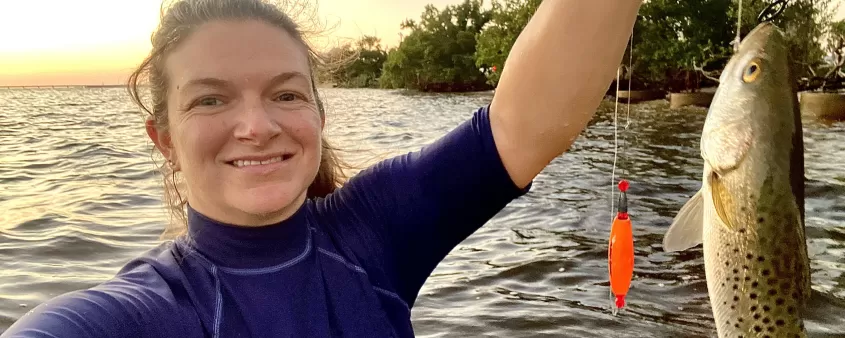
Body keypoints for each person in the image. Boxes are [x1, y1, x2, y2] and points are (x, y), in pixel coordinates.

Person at [1, 0, 642, 337]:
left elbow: (526, 123)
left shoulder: (373, 233)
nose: (257, 125)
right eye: (211, 99)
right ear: (163, 139)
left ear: (318, 114)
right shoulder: (145, 313)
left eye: (284, 93)